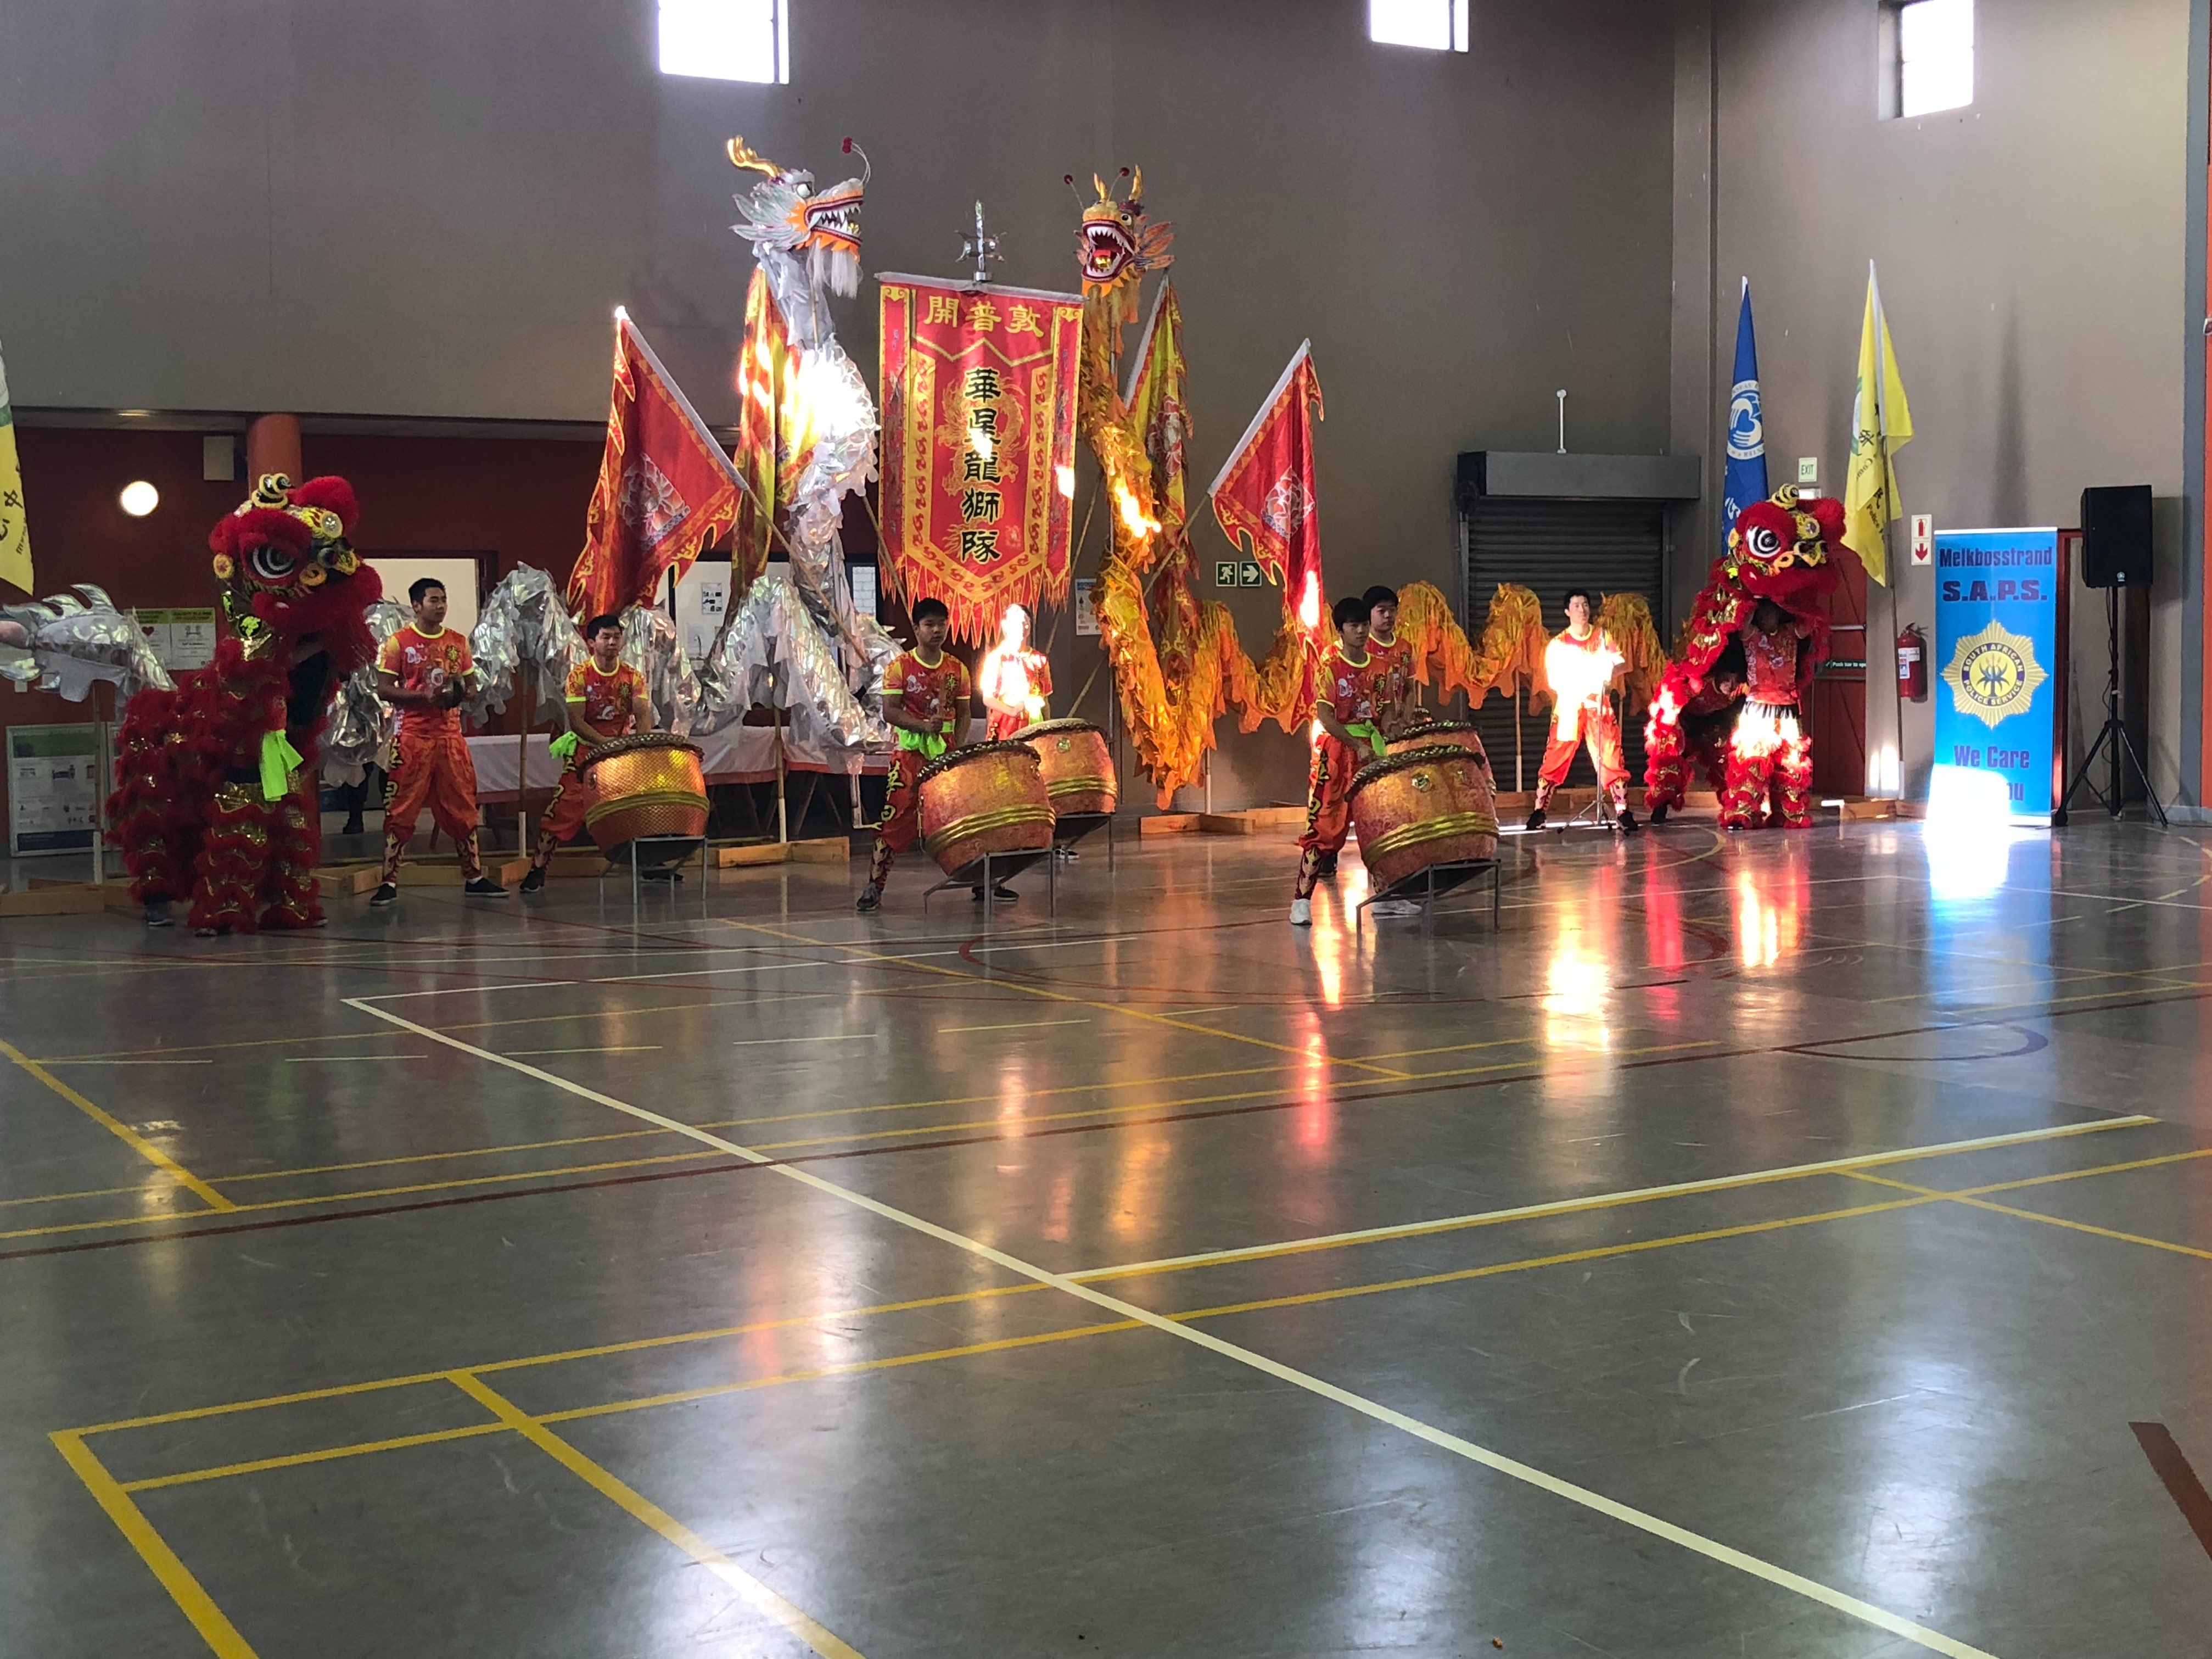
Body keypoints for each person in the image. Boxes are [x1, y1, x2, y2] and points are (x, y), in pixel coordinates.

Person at [372, 578, 505, 904]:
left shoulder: (458, 642)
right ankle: (389, 882)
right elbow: (384, 689)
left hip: (450, 738)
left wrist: (460, 692)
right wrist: (424, 696)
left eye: (443, 599)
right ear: (417, 605)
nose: (441, 606)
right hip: (412, 738)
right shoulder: (398, 642)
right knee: (401, 810)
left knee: (464, 807)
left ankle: (474, 877)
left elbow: (471, 687)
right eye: (434, 600)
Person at [1291, 596, 1413, 925]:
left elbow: (1387, 709)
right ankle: (1301, 900)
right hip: (1339, 754)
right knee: (1325, 825)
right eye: (1354, 626)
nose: (1360, 631)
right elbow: (1326, 717)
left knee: (1381, 824)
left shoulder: (1382, 667)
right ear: (1341, 631)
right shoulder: (1331, 667)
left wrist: (1392, 727)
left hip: (1372, 751)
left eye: (1363, 625)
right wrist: (1355, 744)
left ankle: (1386, 896)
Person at [519, 614, 654, 893]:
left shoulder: (633, 676)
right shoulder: (579, 676)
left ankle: (651, 864)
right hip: (586, 754)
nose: (612, 642)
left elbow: (643, 714)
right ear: (592, 642)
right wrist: (605, 745)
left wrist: (640, 745)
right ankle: (538, 869)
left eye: (616, 637)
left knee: (639, 807)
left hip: (622, 754)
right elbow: (577, 721)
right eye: (606, 637)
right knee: (562, 809)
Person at [856, 597, 975, 912]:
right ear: (916, 628)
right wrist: (923, 726)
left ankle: (983, 879)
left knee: (965, 815)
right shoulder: (900, 667)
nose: (937, 631)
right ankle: (874, 885)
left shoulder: (957, 668)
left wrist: (957, 746)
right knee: (896, 816)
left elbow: (964, 712)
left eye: (942, 624)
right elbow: (890, 711)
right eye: (929, 625)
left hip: (946, 754)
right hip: (909, 754)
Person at [1527, 588, 1638, 834]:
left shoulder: (1602, 636)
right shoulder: (1558, 644)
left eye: (1585, 604)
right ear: (1567, 611)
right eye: (1577, 605)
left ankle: (1622, 811)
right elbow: (1554, 680)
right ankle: (1539, 810)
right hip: (1570, 706)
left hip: (1598, 705)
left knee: (1611, 755)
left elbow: (1621, 663)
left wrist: (1606, 671)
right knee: (1556, 756)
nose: (1582, 609)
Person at [1722, 597, 1816, 829]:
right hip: (1758, 707)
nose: (1765, 618)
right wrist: (1755, 594)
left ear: (1779, 614)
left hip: (1787, 709)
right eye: (1762, 614)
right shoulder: (1751, 635)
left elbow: (1809, 622)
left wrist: (1794, 594)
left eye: (1770, 613)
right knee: (1751, 762)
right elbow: (1742, 621)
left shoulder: (1790, 633)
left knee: (1791, 764)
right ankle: (1744, 814)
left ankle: (1789, 813)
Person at [1648, 640, 1745, 824]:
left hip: (1708, 726)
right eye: (1727, 678)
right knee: (1671, 759)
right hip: (1681, 722)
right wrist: (1675, 729)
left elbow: (1730, 718)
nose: (1731, 685)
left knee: (1727, 761)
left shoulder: (1737, 694)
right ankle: (1661, 805)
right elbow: (1672, 701)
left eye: (1736, 680)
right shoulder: (1698, 684)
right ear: (1719, 674)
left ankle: (1735, 808)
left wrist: (1721, 732)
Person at [978, 603, 1052, 741]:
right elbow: (988, 698)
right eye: (1017, 622)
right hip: (1006, 724)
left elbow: (1045, 699)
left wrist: (1048, 728)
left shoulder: (1039, 660)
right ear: (1005, 626)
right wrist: (1012, 711)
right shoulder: (997, 658)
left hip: (1035, 722)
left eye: (1026, 622)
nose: (1022, 627)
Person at [1363, 584, 1415, 734]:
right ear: (1368, 613)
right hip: (1367, 726)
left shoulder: (1405, 647)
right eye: (1382, 611)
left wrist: (1405, 721)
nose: (1388, 615)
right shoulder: (1362, 647)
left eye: (1392, 610)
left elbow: (1410, 689)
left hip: (1397, 728)